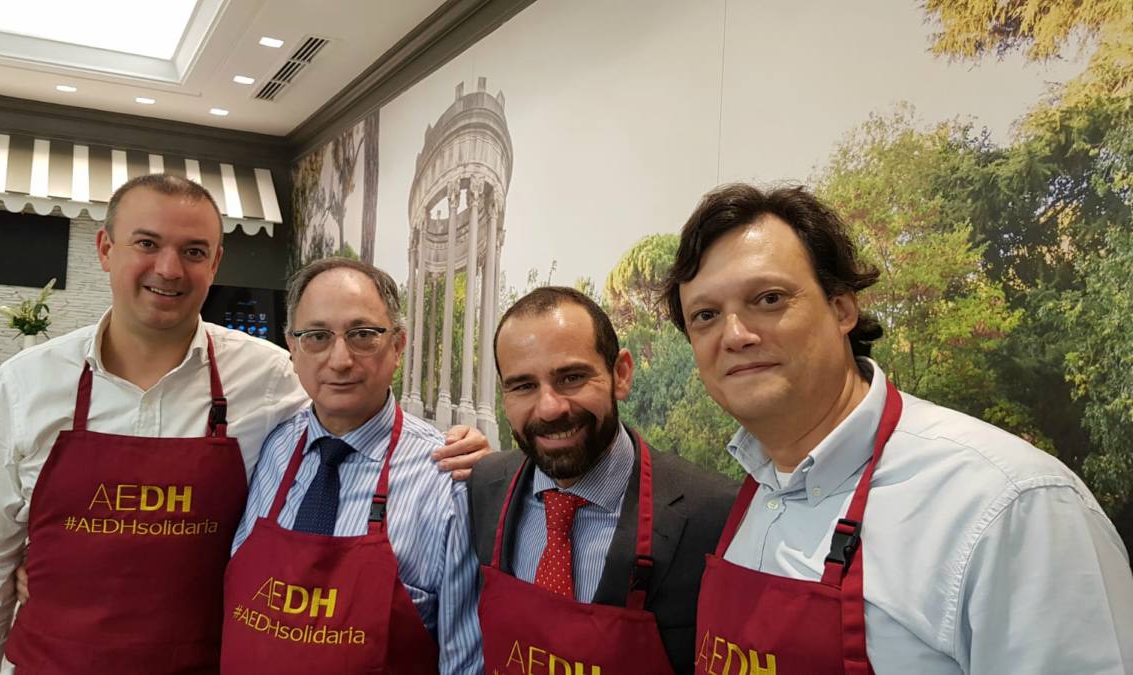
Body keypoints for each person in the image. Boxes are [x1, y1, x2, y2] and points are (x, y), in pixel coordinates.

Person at [0, 174, 489, 675]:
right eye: (147, 243)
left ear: (216, 262)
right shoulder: (26, 383)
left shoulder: (268, 376)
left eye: (193, 251)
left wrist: (456, 449)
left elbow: (350, 402)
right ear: (106, 249)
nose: (169, 269)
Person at [661, 183, 1133, 674]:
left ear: (843, 310)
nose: (735, 335)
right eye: (706, 315)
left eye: (769, 298)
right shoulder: (759, 489)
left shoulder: (1010, 506)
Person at [221, 257, 482, 674]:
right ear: (292, 347)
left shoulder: (448, 479)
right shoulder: (270, 447)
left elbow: (465, 663)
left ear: (398, 346)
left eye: (363, 335)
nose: (340, 359)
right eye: (317, 336)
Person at [469, 286, 737, 674]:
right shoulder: (483, 486)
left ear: (621, 374)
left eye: (572, 377)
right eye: (524, 385)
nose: (549, 407)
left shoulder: (711, 515)